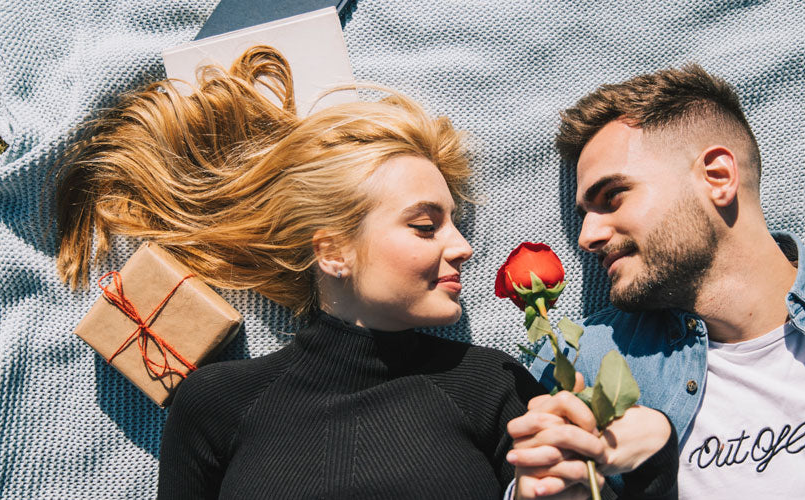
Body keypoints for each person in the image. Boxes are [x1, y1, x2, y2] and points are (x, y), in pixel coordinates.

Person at [54, 46, 676, 499]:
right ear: (334, 252)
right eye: (426, 225)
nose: (462, 247)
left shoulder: (495, 387)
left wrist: (648, 460)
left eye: (454, 222)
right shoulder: (216, 403)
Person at [506, 64, 805, 500]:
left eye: (612, 196)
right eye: (584, 214)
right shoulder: (576, 363)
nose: (588, 237)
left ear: (718, 177)